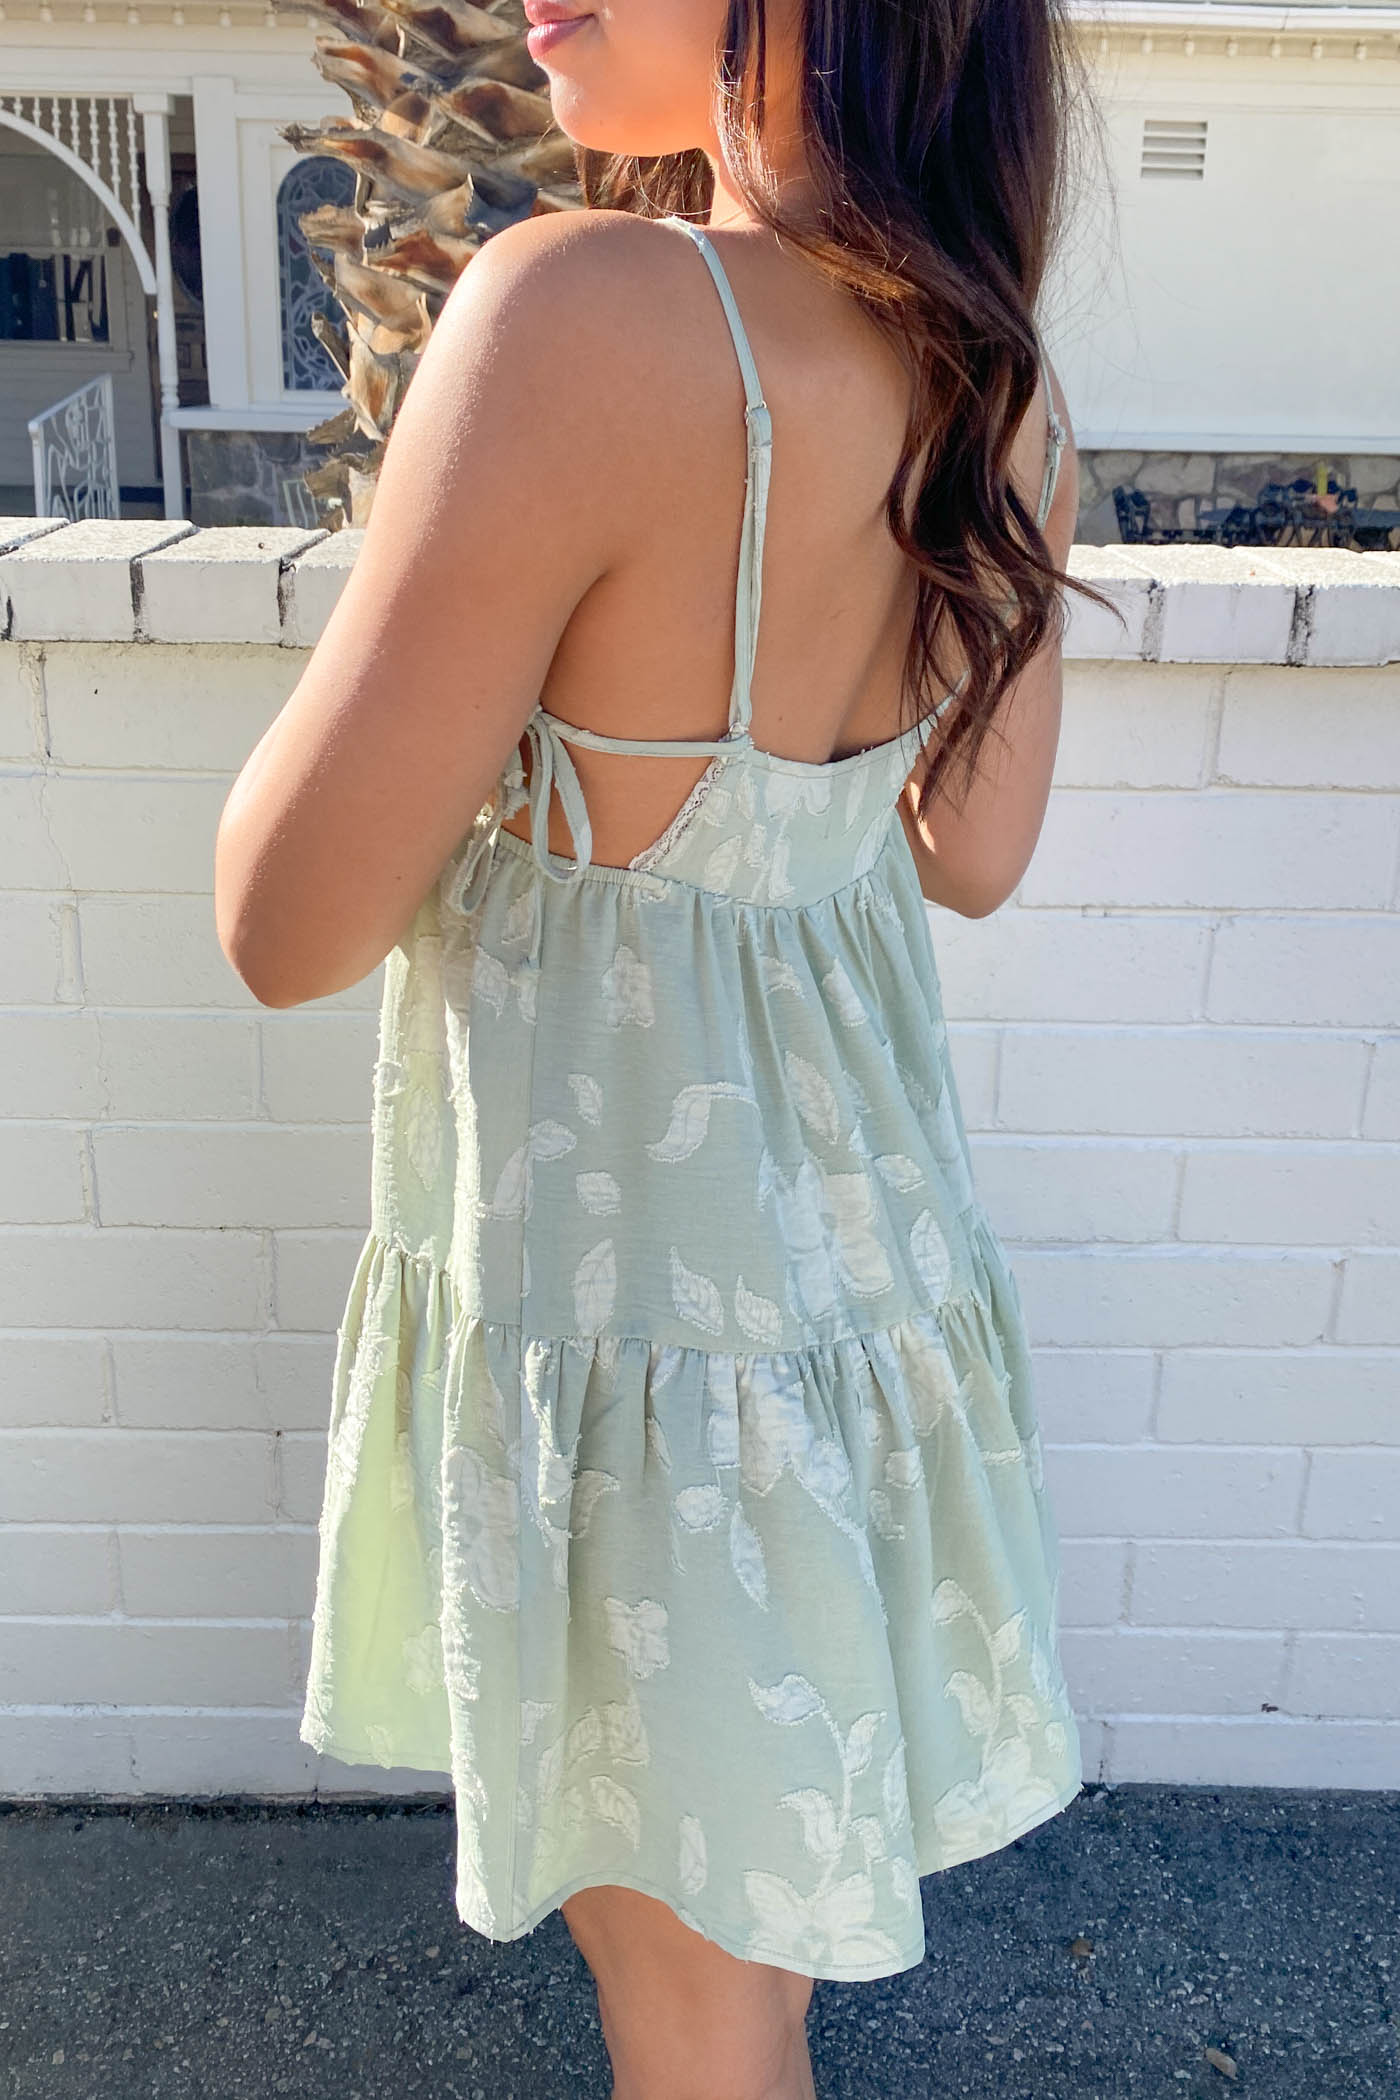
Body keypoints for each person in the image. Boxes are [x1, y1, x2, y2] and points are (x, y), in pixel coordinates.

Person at [215, 1, 1099, 2093]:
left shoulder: (585, 312)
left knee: (694, 2039)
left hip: (643, 1343)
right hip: (845, 1309)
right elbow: (967, 853)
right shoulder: (997, 376)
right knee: (740, 1985)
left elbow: (285, 921)